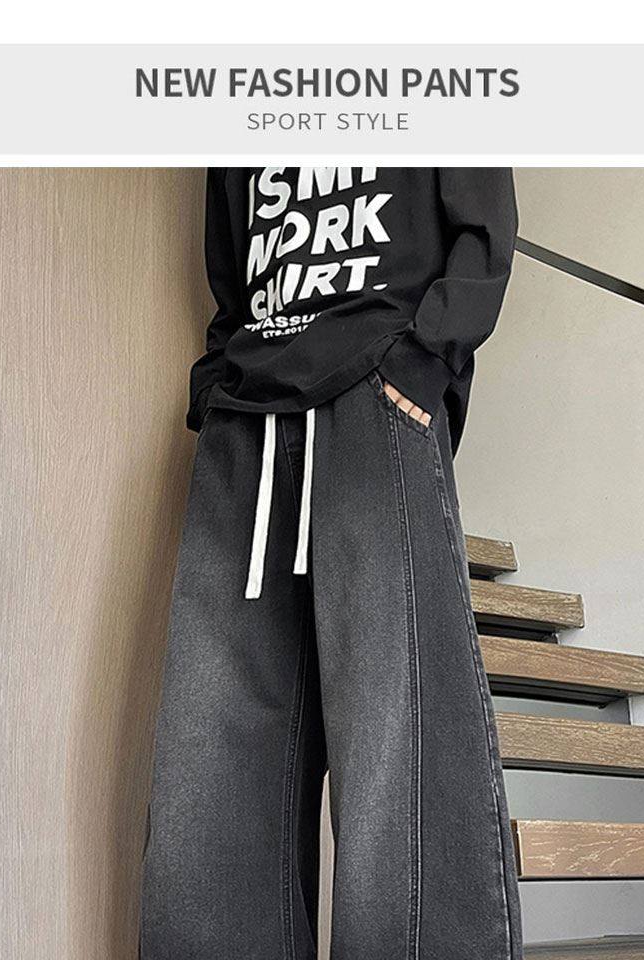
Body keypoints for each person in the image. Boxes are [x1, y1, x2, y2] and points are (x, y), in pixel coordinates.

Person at [140, 166, 523, 960]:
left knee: (399, 742)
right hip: (247, 414)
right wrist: (214, 381)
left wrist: (425, 362)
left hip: (374, 392)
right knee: (211, 755)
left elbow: (484, 222)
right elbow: (231, 262)